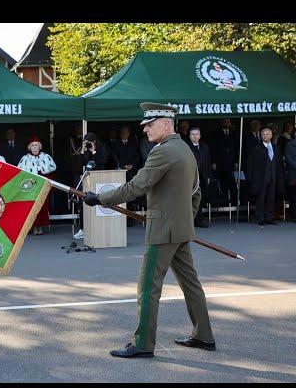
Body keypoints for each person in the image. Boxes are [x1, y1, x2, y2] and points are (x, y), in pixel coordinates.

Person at [84, 102, 215, 358]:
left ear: (166, 123)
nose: (145, 129)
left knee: (147, 288)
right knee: (191, 284)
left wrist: (100, 198)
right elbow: (196, 192)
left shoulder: (163, 151)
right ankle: (203, 335)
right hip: (179, 228)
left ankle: (143, 343)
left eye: (150, 125)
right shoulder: (185, 149)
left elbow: (135, 186)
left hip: (163, 230)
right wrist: (186, 220)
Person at [18, 136, 57, 235]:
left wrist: (43, 169)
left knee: (43, 206)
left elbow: (53, 167)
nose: (34, 147)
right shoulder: (25, 158)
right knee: (32, 206)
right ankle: (34, 227)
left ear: (39, 147)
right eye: (32, 145)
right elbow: (19, 171)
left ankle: (41, 226)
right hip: (31, 186)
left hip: (42, 185)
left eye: (36, 145)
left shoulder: (46, 156)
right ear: (29, 147)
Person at [247, 127, 285, 225]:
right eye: (263, 134)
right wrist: (251, 178)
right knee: (261, 198)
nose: (265, 136)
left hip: (273, 176)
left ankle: (269, 217)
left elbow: (279, 164)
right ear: (261, 136)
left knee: (271, 198)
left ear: (271, 135)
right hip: (261, 178)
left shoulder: (276, 148)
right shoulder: (256, 148)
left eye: (267, 134)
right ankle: (260, 218)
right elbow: (250, 164)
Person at [210, 118, 238, 204]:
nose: (226, 123)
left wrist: (236, 161)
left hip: (232, 164)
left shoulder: (234, 134)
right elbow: (213, 148)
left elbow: (237, 148)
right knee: (222, 185)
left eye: (228, 122)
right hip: (220, 164)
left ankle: (234, 203)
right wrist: (213, 162)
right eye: (224, 122)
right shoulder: (216, 134)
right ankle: (224, 203)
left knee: (234, 184)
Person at [188, 128, 211, 228]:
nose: (195, 136)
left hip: (202, 177)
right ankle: (190, 221)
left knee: (200, 199)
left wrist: (209, 176)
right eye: (192, 134)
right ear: (189, 136)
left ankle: (199, 219)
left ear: (200, 136)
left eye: (197, 134)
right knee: (190, 199)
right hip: (191, 177)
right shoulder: (187, 147)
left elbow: (208, 162)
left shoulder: (204, 147)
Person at [284, 127, 296, 221]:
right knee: (294, 197)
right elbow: (288, 159)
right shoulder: (289, 144)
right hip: (293, 174)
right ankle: (294, 216)